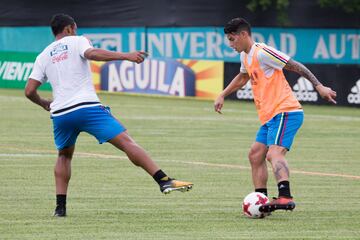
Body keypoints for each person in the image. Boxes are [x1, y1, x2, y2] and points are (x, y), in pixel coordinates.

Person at [25, 13, 193, 217]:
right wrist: (126, 56)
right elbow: (92, 53)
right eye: (75, 29)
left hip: (61, 114)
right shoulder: (79, 40)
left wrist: (43, 103)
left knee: (64, 156)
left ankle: (60, 209)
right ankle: (163, 180)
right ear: (70, 28)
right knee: (127, 142)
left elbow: (29, 90)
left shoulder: (43, 55)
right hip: (87, 108)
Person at [214, 18, 336, 213]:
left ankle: (285, 196)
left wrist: (319, 86)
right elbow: (243, 77)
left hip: (285, 111)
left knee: (274, 153)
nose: (230, 44)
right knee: (255, 155)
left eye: (232, 39)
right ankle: (261, 201)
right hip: (270, 117)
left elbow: (295, 65)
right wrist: (222, 94)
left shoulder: (263, 52)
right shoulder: (245, 56)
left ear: (244, 35)